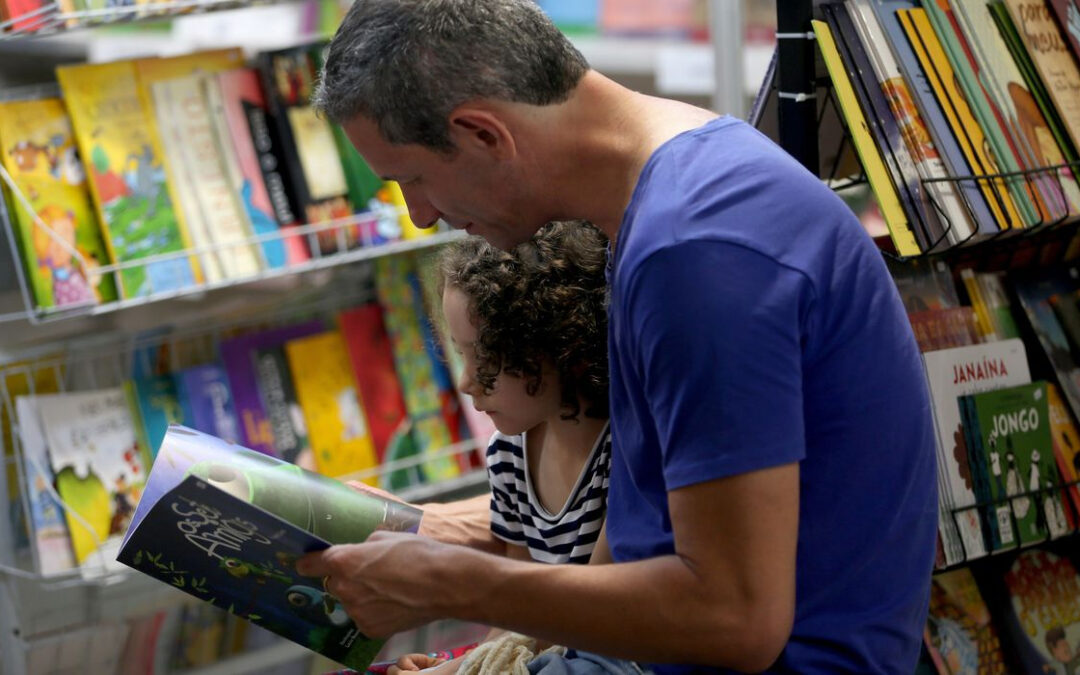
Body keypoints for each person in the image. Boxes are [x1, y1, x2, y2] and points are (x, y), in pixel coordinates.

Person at [297, 1, 939, 672]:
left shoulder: (695, 249)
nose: (422, 216)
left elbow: (736, 619)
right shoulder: (678, 181)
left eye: (412, 180)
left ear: (483, 134)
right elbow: (649, 520)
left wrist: (450, 582)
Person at [390, 221, 615, 674]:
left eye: (487, 357)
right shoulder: (509, 454)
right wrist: (466, 663)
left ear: (559, 347)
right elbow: (521, 614)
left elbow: (579, 622)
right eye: (461, 354)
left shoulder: (620, 458)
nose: (467, 381)